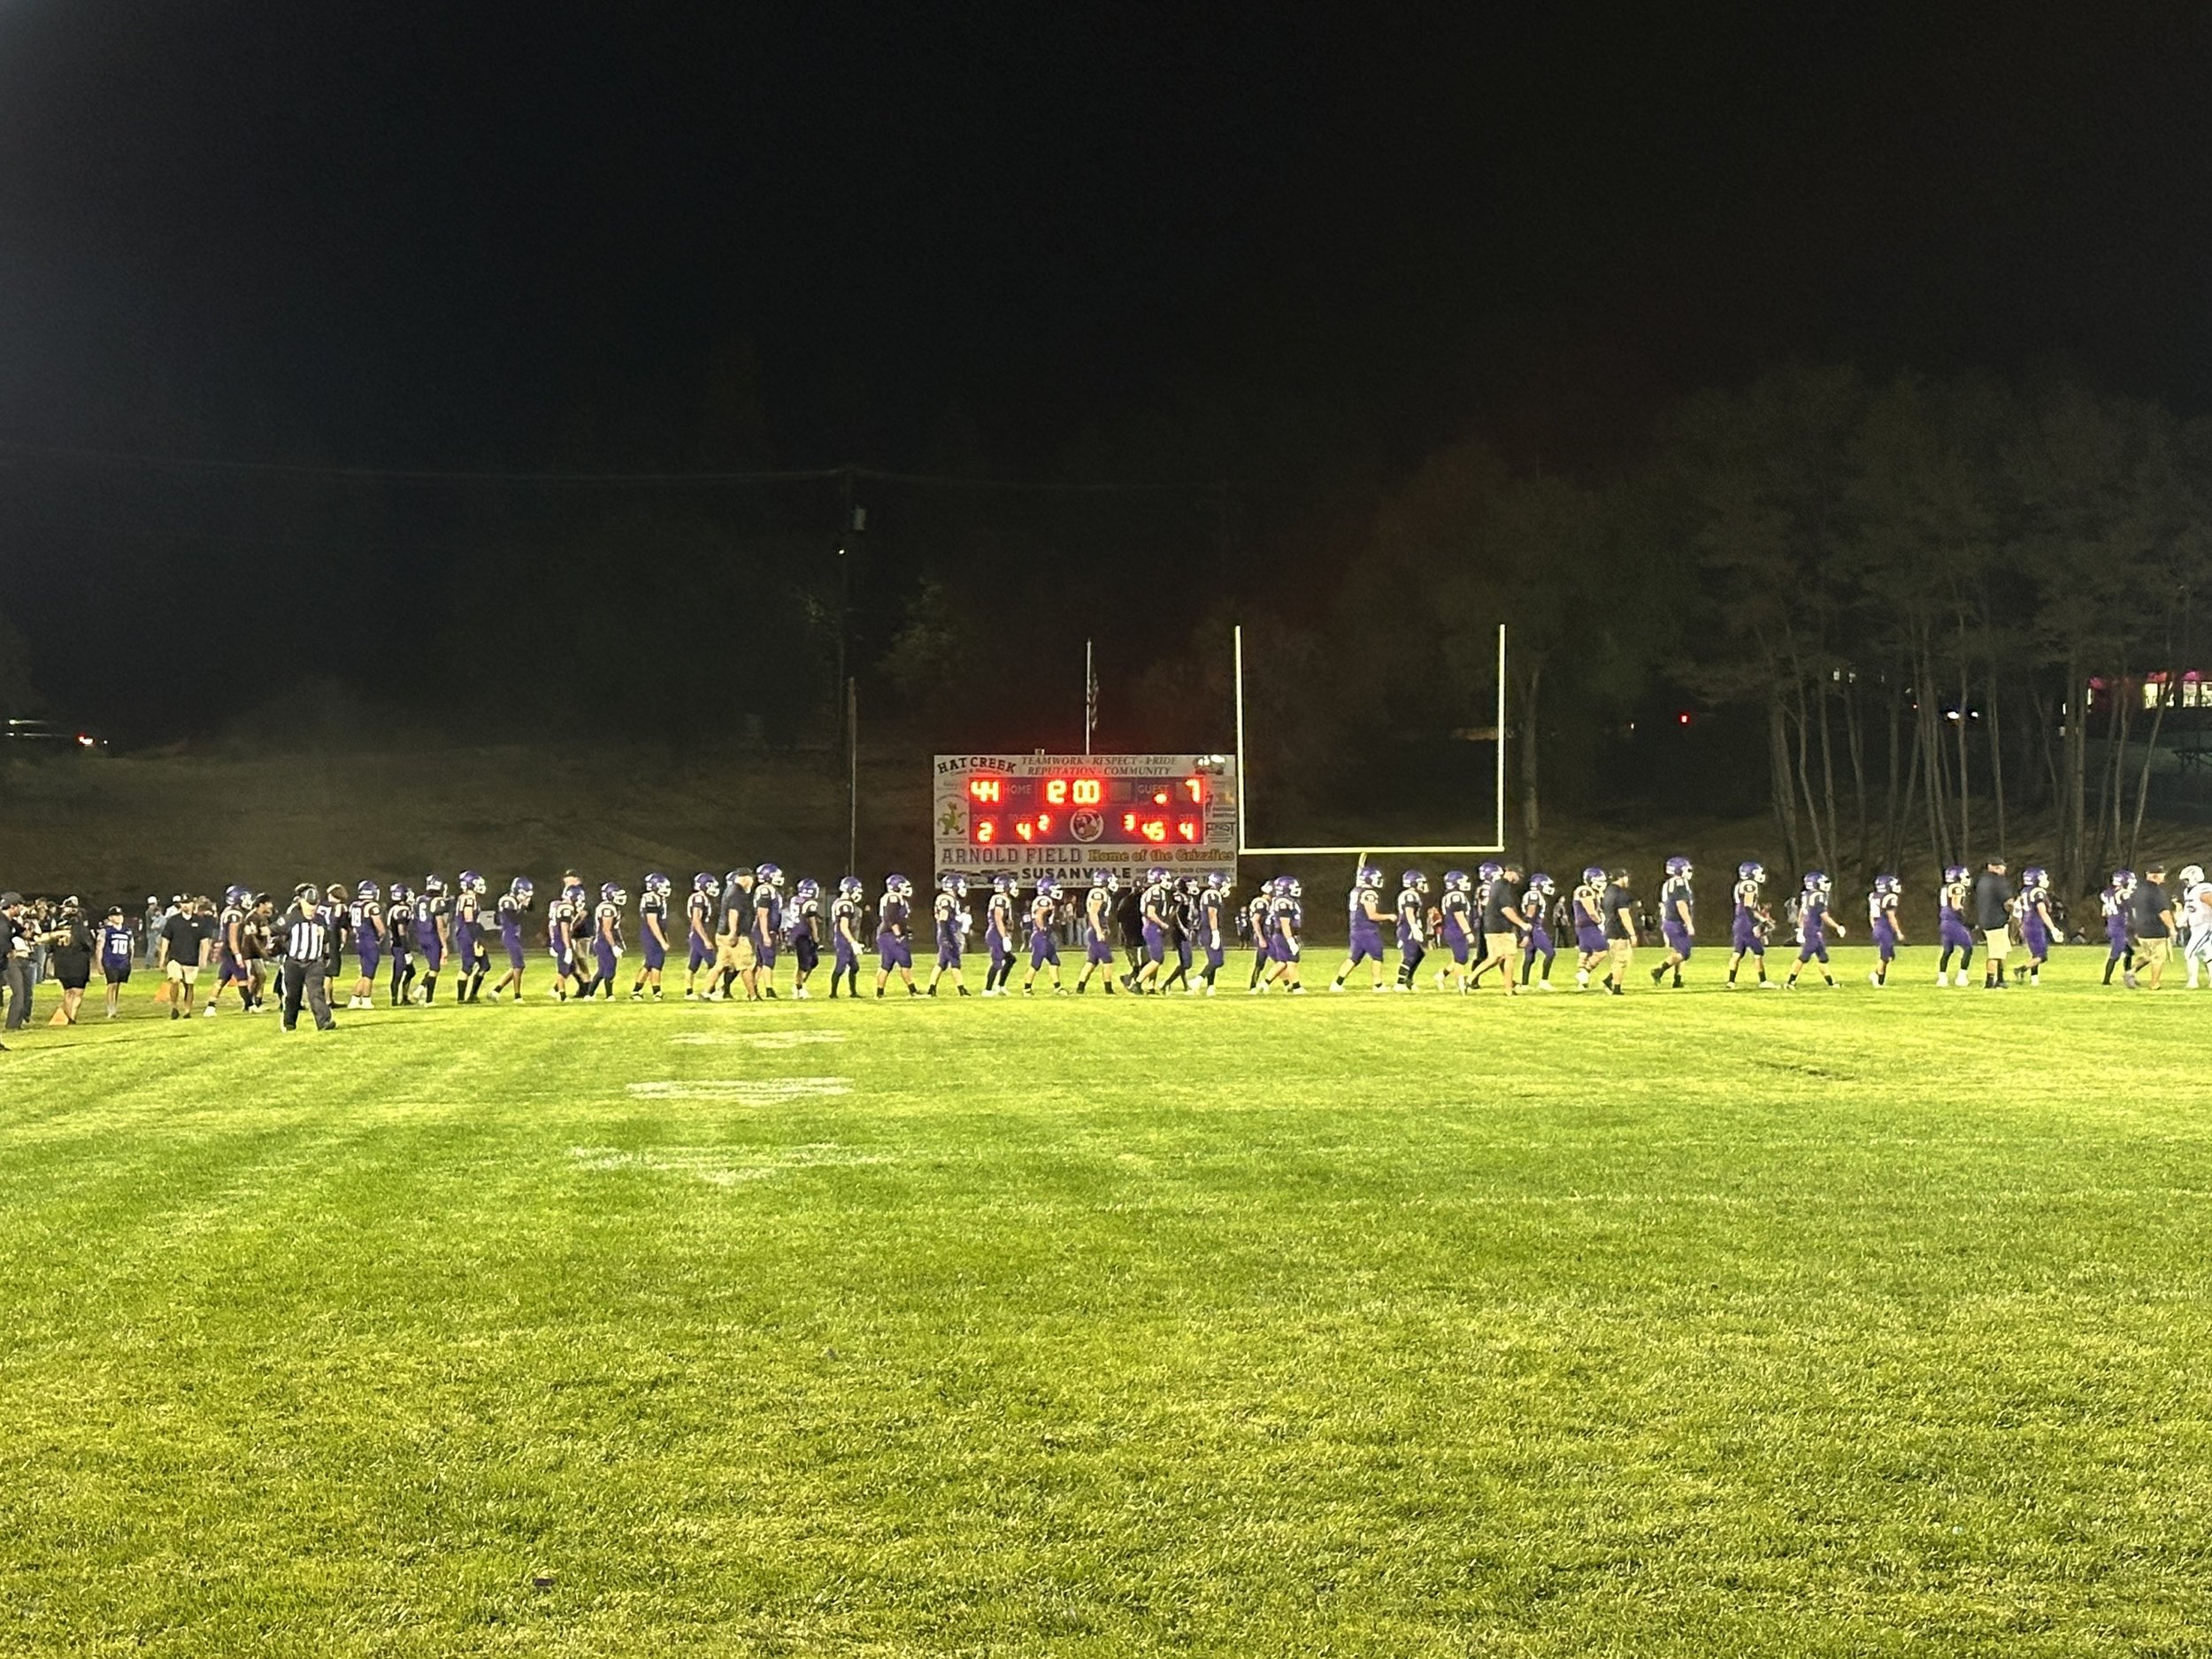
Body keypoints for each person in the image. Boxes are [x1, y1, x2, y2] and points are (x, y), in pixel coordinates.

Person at [279, 882, 337, 1032]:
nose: (312, 908)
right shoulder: (292, 916)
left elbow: (325, 940)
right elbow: (276, 931)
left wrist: (326, 955)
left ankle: (324, 1022)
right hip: (294, 962)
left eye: (314, 904)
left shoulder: (320, 919)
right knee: (293, 995)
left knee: (316, 992)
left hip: (314, 962)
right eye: (309, 904)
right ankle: (289, 1022)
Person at [1332, 864, 1390, 993]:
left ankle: (1337, 984)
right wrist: (1389, 917)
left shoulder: (1356, 891)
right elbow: (1372, 915)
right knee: (1377, 957)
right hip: (1367, 930)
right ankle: (1378, 985)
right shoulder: (1369, 893)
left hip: (1356, 929)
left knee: (1353, 959)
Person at [1471, 861, 1525, 995]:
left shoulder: (1496, 885)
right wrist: (1521, 924)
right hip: (1496, 926)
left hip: (1491, 925)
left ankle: (1471, 980)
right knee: (1499, 957)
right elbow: (1505, 908)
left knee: (1497, 957)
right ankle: (1506, 988)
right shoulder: (1499, 886)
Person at [157, 895, 211, 1020]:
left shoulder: (200, 921)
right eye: (183, 903)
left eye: (187, 903)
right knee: (174, 981)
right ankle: (174, 1007)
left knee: (189, 985)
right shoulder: (173, 921)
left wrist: (203, 959)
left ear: (193, 904)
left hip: (191, 959)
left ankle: (187, 1010)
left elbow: (205, 942)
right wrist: (162, 959)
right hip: (175, 958)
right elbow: (165, 940)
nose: (185, 905)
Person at [1784, 870, 1841, 988]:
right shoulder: (1819, 896)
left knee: (1823, 958)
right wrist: (1837, 927)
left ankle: (1832, 983)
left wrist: (1801, 927)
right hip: (1812, 931)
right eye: (1823, 882)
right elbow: (1824, 916)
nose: (1826, 884)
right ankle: (1790, 982)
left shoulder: (1807, 895)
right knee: (1804, 957)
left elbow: (1801, 913)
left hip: (1811, 929)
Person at [1724, 861, 1776, 988]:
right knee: (1758, 952)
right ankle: (1763, 981)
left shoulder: (1740, 884)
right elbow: (1748, 906)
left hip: (1739, 921)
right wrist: (1759, 922)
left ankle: (1731, 982)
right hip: (1746, 922)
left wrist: (1762, 918)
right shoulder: (1750, 884)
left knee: (1737, 953)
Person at [42, 901, 94, 1024]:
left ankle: (67, 1016)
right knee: (78, 993)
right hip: (78, 963)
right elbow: (89, 946)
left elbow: (49, 948)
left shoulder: (57, 929)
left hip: (61, 964)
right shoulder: (81, 929)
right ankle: (72, 1016)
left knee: (68, 992)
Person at [2131, 863, 2176, 990]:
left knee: (2148, 955)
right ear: (2156, 876)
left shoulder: (2138, 890)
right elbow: (2163, 912)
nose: (2164, 877)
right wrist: (2172, 928)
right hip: (2155, 930)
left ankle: (2130, 972)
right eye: (2162, 875)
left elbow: (2133, 910)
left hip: (2141, 930)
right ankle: (2154, 984)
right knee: (2158, 958)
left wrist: (2135, 927)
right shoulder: (2157, 892)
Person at [1652, 856, 1694, 987]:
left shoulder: (1669, 883)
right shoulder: (1680, 882)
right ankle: (1659, 969)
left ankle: (1678, 979)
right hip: (1675, 922)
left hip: (1670, 921)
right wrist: (1689, 923)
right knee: (1684, 953)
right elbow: (1681, 904)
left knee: (1679, 951)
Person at [875, 872, 918, 997]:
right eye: (903, 885)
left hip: (885, 934)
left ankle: (879, 994)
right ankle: (913, 992)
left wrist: (906, 929)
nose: (906, 888)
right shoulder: (893, 897)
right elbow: (891, 917)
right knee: (905, 963)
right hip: (890, 935)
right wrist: (898, 934)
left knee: (886, 965)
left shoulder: (893, 897)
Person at [1971, 858, 2012, 990]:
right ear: (1992, 867)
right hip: (1997, 920)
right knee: (1996, 953)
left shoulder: (1981, 881)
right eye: (2001, 867)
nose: (2003, 870)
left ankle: (2000, 979)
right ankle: (1990, 982)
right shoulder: (1999, 882)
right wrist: (2013, 914)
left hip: (1984, 919)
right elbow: (2008, 902)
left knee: (2001, 951)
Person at [489, 876, 533, 1002]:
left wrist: (524, 906)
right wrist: (523, 907)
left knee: (518, 966)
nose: (526, 897)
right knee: (518, 966)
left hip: (514, 935)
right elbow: (514, 919)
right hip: (509, 935)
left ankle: (496, 991)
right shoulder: (508, 900)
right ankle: (517, 996)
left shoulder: (515, 901)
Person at [926, 873, 970, 996]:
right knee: (955, 962)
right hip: (948, 934)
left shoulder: (946, 898)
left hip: (946, 933)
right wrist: (947, 936)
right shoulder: (947, 899)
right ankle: (962, 990)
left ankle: (931, 989)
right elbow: (943, 917)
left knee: (941, 963)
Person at [1022, 876, 1066, 995]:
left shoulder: (1046, 900)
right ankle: (1026, 988)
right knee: (1035, 963)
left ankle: (1057, 987)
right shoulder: (1044, 900)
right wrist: (1042, 928)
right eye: (1054, 887)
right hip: (1040, 936)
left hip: (1045, 935)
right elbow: (1039, 915)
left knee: (1055, 962)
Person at [1078, 871, 1120, 995]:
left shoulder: (1102, 893)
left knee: (1092, 961)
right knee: (1107, 960)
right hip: (1096, 931)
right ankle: (1108, 989)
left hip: (1096, 930)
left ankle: (1080, 988)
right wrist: (1099, 931)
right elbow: (1093, 913)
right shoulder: (1098, 893)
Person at [631, 872, 671, 1001]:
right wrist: (662, 940)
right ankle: (657, 992)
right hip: (651, 933)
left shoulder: (659, 898)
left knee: (649, 963)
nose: (665, 889)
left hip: (655, 932)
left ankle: (636, 991)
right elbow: (652, 921)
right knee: (656, 963)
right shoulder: (650, 898)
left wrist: (665, 937)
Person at [748, 864, 785, 1000]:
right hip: (764, 929)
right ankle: (769, 990)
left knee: (760, 961)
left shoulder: (770, 890)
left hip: (768, 929)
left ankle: (752, 988)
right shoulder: (765, 890)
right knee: (768, 961)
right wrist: (765, 934)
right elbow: (762, 914)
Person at [2016, 867, 2057, 986]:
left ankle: (2034, 979)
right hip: (2035, 924)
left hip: (2026, 923)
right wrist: (2053, 928)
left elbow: (2017, 909)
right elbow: (2042, 911)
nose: (2046, 880)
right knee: (2042, 956)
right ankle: (2021, 969)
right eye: (2043, 877)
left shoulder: (2025, 891)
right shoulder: (2038, 892)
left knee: (2035, 954)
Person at [1600, 867, 1637, 995]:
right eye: (1626, 877)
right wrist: (1632, 934)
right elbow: (1624, 914)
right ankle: (1616, 989)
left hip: (1609, 928)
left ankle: (1609, 980)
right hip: (1618, 931)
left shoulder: (1608, 891)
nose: (1627, 880)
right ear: (1621, 878)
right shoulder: (1621, 894)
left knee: (1625, 958)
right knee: (1620, 960)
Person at [1936, 864, 1975, 987]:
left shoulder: (1945, 887)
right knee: (1968, 948)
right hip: (1953, 921)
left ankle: (1942, 978)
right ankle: (1961, 978)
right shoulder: (1957, 887)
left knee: (1948, 950)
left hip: (1944, 920)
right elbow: (1956, 905)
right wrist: (1965, 919)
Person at [348, 879, 384, 1010]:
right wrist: (382, 933)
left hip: (359, 940)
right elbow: (378, 923)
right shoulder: (372, 906)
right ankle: (367, 1000)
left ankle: (355, 999)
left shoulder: (354, 905)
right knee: (369, 973)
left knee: (364, 972)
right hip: (369, 941)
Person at [981, 872, 1019, 996]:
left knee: (1010, 960)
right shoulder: (1000, 899)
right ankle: (987, 990)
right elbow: (998, 918)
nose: (1015, 889)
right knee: (997, 963)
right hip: (995, 933)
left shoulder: (1005, 899)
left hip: (999, 932)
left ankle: (1000, 986)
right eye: (1012, 886)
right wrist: (1004, 938)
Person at [1571, 866, 1608, 990]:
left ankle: (1582, 984)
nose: (1602, 883)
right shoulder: (1585, 890)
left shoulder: (1593, 891)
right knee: (1602, 949)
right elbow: (1591, 911)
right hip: (1588, 925)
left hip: (1584, 925)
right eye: (1599, 880)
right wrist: (1600, 921)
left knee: (1585, 952)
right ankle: (1584, 973)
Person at [828, 876, 865, 999]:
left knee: (854, 967)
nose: (858, 893)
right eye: (856, 890)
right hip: (843, 938)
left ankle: (853, 992)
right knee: (841, 966)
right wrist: (853, 942)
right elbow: (844, 927)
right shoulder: (845, 904)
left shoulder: (843, 902)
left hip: (845, 937)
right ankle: (833, 993)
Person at [1, 893, 33, 1035]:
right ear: (13, 906)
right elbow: (6, 950)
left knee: (21, 994)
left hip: (4, 963)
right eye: (20, 905)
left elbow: (26, 935)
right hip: (5, 963)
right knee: (18, 994)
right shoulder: (2, 924)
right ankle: (13, 1025)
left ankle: (13, 1025)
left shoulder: (10, 922)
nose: (22, 908)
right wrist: (17, 952)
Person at [682, 872, 718, 998]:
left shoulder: (702, 898)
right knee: (714, 964)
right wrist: (705, 939)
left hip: (697, 933)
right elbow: (696, 920)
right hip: (699, 934)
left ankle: (689, 992)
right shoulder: (699, 898)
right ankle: (710, 991)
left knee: (693, 965)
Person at [1520, 872, 1558, 990]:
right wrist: (1527, 933)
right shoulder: (1534, 895)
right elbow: (1530, 914)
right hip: (1533, 927)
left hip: (1529, 927)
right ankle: (1544, 981)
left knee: (1530, 957)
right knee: (1550, 953)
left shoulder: (1534, 895)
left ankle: (1525, 984)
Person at [787, 877, 823, 998]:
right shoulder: (810, 903)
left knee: (812, 962)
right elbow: (811, 920)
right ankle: (798, 988)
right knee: (804, 963)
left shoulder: (795, 900)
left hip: (795, 932)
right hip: (803, 934)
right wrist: (816, 936)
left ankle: (800, 984)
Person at [1866, 874, 1904, 987]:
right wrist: (1898, 931)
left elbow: (1871, 915)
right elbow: (1891, 916)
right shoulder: (1890, 897)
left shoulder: (1874, 896)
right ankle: (1877, 977)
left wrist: (1875, 927)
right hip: (1884, 927)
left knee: (1888, 956)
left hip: (1879, 926)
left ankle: (1879, 978)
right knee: (1885, 956)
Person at [2101, 870, 2137, 987]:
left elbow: (2104, 913)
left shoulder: (2107, 893)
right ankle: (2106, 981)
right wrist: (2134, 922)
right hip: (2118, 927)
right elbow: (2129, 909)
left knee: (2129, 952)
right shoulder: (2123, 893)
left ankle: (2130, 975)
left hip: (2112, 924)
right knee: (2115, 954)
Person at [98, 905, 135, 1018]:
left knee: (117, 985)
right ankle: (111, 1009)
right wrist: (99, 963)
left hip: (123, 962)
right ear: (110, 918)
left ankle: (115, 1006)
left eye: (120, 915)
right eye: (116, 915)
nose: (119, 918)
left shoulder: (127, 931)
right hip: (111, 961)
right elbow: (99, 947)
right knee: (112, 984)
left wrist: (130, 961)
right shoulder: (106, 931)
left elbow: (131, 948)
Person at [386, 883, 418, 1006]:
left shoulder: (395, 908)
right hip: (399, 945)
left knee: (410, 972)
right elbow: (401, 932)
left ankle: (403, 998)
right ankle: (395, 1000)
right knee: (399, 973)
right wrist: (407, 951)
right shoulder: (402, 910)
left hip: (397, 944)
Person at [2181, 864, 2212, 990]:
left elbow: (2209, 900)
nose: (2185, 883)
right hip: (2196, 927)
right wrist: (2182, 921)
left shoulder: (2204, 888)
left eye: (2186, 880)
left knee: (2189, 952)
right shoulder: (2187, 891)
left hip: (2206, 925)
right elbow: (2188, 908)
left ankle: (2193, 982)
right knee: (2208, 955)